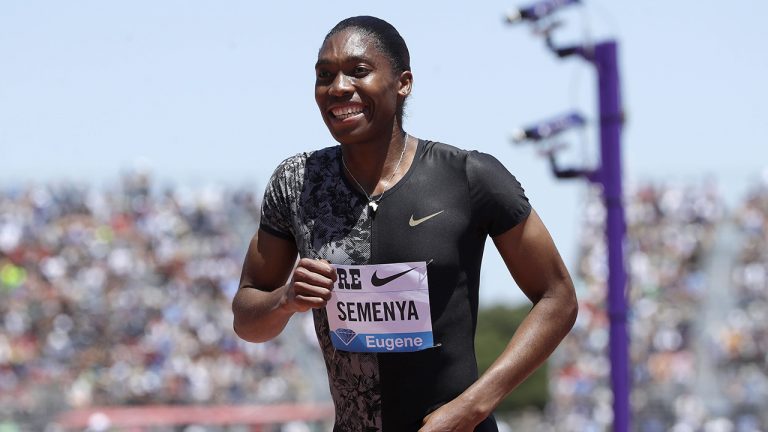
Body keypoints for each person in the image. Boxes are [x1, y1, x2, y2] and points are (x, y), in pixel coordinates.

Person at [232, 15, 578, 432]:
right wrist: (285, 300)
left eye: (358, 71)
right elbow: (247, 319)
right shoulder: (297, 182)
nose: (338, 87)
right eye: (325, 76)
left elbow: (558, 298)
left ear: (403, 83)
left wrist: (471, 408)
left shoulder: (468, 176)